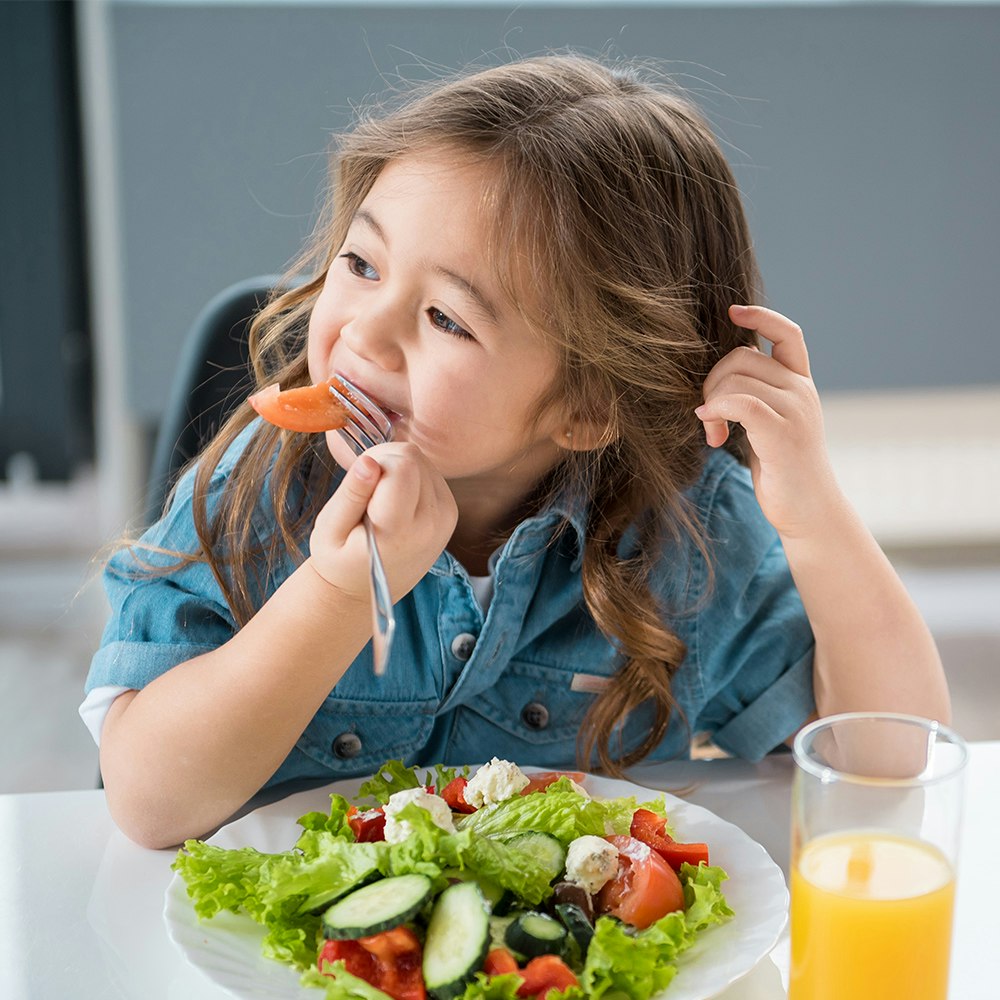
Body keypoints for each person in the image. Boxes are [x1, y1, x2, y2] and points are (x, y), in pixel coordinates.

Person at [81, 54, 949, 849]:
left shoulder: (691, 539)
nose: (364, 335)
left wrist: (815, 518)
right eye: (363, 264)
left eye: (447, 319)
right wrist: (341, 591)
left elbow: (888, 769)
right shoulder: (260, 487)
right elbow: (150, 801)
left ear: (586, 405)